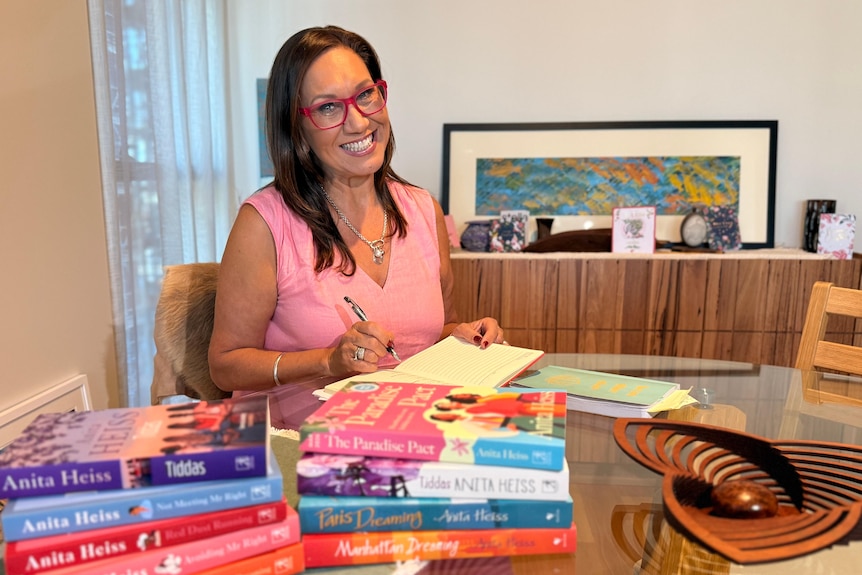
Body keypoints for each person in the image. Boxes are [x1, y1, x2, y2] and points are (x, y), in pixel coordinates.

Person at [208, 25, 504, 429]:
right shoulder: (263, 223)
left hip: (413, 433)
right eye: (329, 107)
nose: (359, 121)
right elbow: (225, 367)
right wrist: (327, 360)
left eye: (366, 94)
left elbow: (439, 329)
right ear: (296, 127)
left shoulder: (423, 210)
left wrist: (465, 337)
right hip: (300, 449)